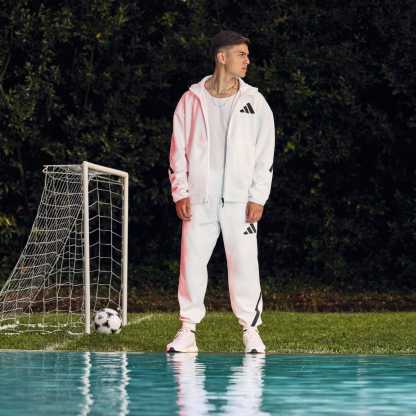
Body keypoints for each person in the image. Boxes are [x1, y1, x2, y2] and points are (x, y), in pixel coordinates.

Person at [166, 30, 276, 353]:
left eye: (247, 55)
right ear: (221, 57)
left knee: (244, 264)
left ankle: (251, 331)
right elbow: (177, 151)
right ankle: (187, 331)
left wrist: (258, 196)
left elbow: (265, 154)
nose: (247, 61)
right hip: (199, 197)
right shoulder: (190, 100)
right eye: (241, 54)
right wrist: (180, 191)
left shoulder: (255, 102)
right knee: (191, 264)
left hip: (240, 201)